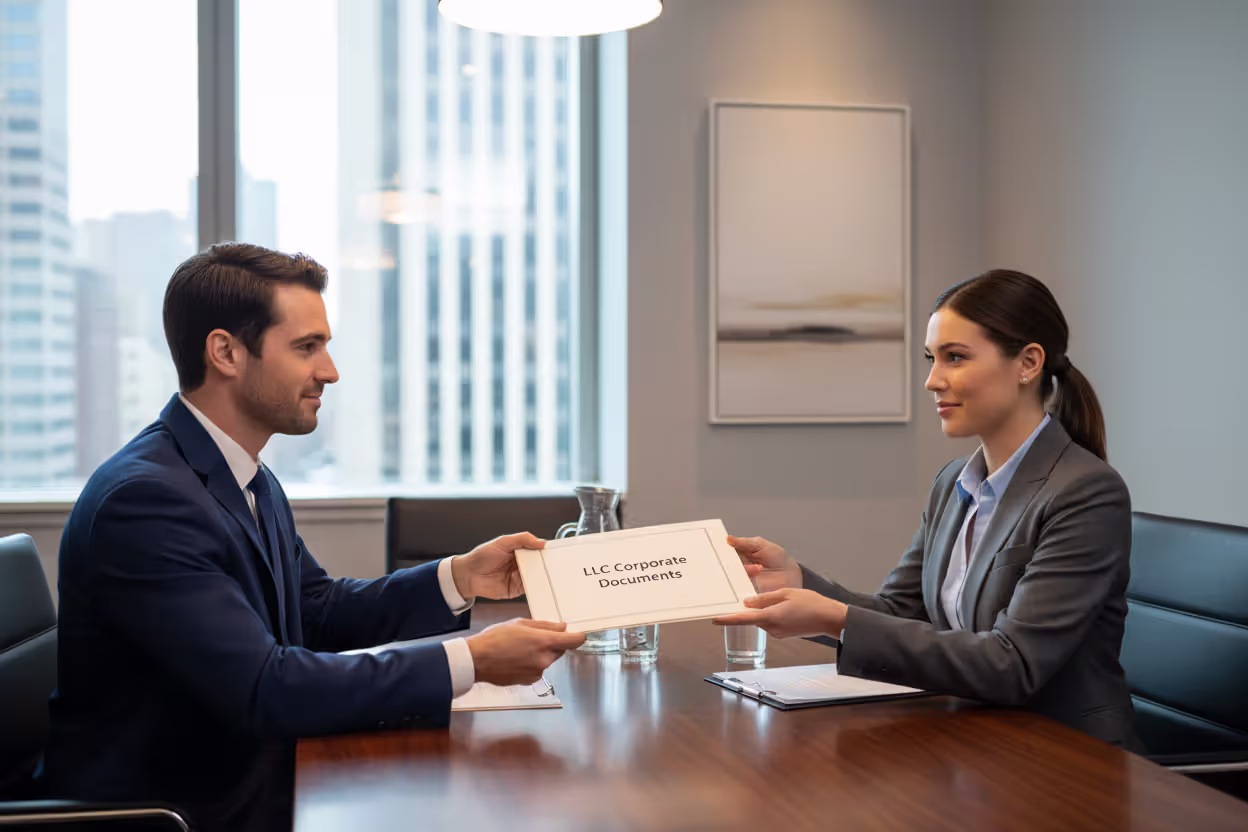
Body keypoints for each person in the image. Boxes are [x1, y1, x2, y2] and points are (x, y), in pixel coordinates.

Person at [42, 243, 585, 830]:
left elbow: (317, 611)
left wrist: (458, 576)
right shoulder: (145, 501)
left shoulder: (243, 473)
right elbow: (265, 688)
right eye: (307, 347)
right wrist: (470, 658)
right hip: (182, 810)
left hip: (254, 779)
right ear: (224, 352)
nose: (329, 370)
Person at [715, 269, 1143, 751]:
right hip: (977, 741)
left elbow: (1014, 664)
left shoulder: (1086, 492)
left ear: (1028, 362)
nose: (932, 380)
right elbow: (904, 612)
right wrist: (798, 584)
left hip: (1067, 758)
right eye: (932, 358)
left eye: (954, 358)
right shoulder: (953, 482)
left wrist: (838, 619)